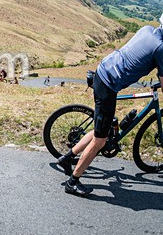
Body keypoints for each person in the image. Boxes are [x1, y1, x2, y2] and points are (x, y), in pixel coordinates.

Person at [56, 19, 163, 197]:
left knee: (100, 131)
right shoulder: (160, 48)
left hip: (103, 70)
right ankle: (73, 182)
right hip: (108, 85)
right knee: (101, 140)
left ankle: (67, 159)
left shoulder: (147, 29)